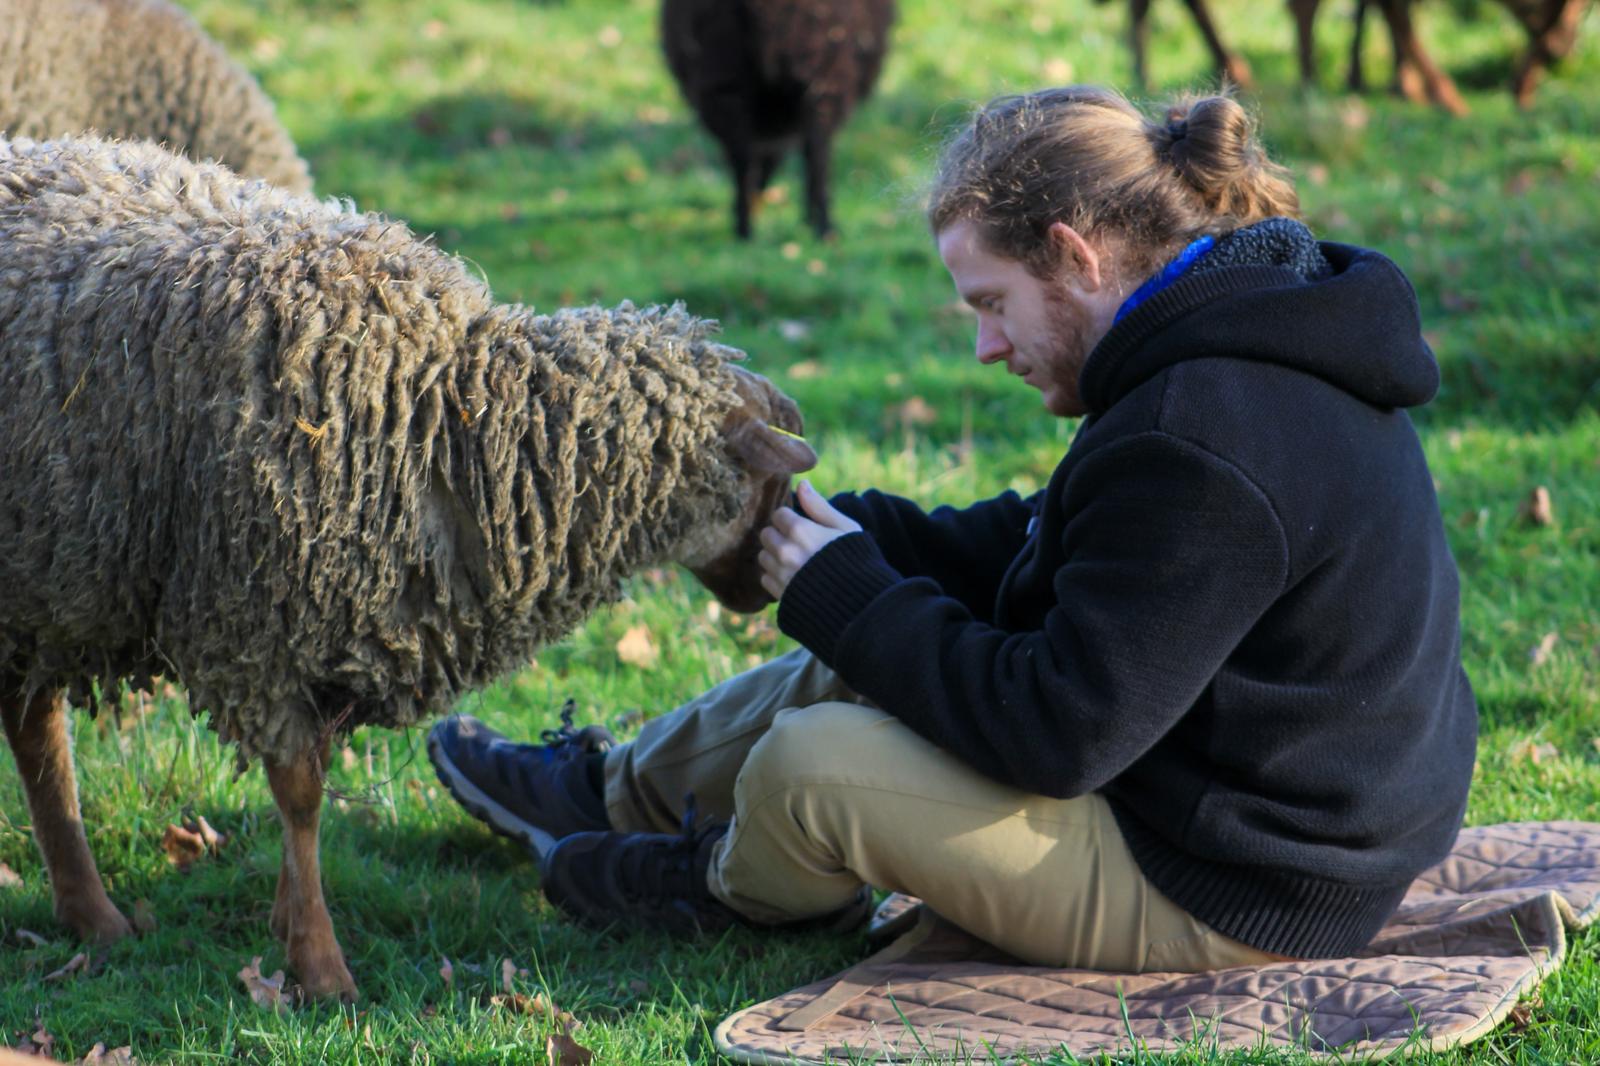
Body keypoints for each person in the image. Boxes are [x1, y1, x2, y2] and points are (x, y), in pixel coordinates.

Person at [427, 86, 1477, 972]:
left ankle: (727, 881)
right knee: (863, 640)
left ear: (1074, 256)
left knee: (815, 765)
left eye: (991, 302)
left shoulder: (1200, 433)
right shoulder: (1220, 335)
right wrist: (850, 540)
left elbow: (1056, 734)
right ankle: (614, 794)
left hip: (1238, 885)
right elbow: (1048, 549)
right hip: (1202, 798)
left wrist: (848, 591)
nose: (983, 345)